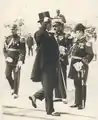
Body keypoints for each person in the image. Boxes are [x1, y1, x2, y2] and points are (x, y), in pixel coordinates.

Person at [29, 11, 60, 116]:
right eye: (49, 21)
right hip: (45, 66)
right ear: (44, 23)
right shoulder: (40, 33)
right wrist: (43, 24)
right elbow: (38, 37)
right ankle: (50, 110)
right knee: (49, 87)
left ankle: (35, 96)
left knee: (51, 85)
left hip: (52, 65)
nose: (51, 23)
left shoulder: (49, 34)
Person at [68, 23, 94, 109]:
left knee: (82, 83)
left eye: (77, 32)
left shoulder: (87, 42)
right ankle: (77, 102)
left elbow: (90, 54)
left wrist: (83, 64)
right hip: (74, 64)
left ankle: (82, 104)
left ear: (81, 32)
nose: (75, 34)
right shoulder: (76, 41)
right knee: (76, 83)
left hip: (81, 64)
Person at [3, 24, 26, 98]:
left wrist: (21, 60)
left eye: (14, 29)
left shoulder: (21, 39)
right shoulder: (7, 39)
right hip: (9, 61)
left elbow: (23, 50)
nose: (12, 31)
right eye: (11, 30)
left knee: (16, 77)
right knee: (7, 75)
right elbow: (4, 50)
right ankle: (13, 87)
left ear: (16, 30)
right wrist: (6, 57)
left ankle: (16, 92)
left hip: (17, 61)